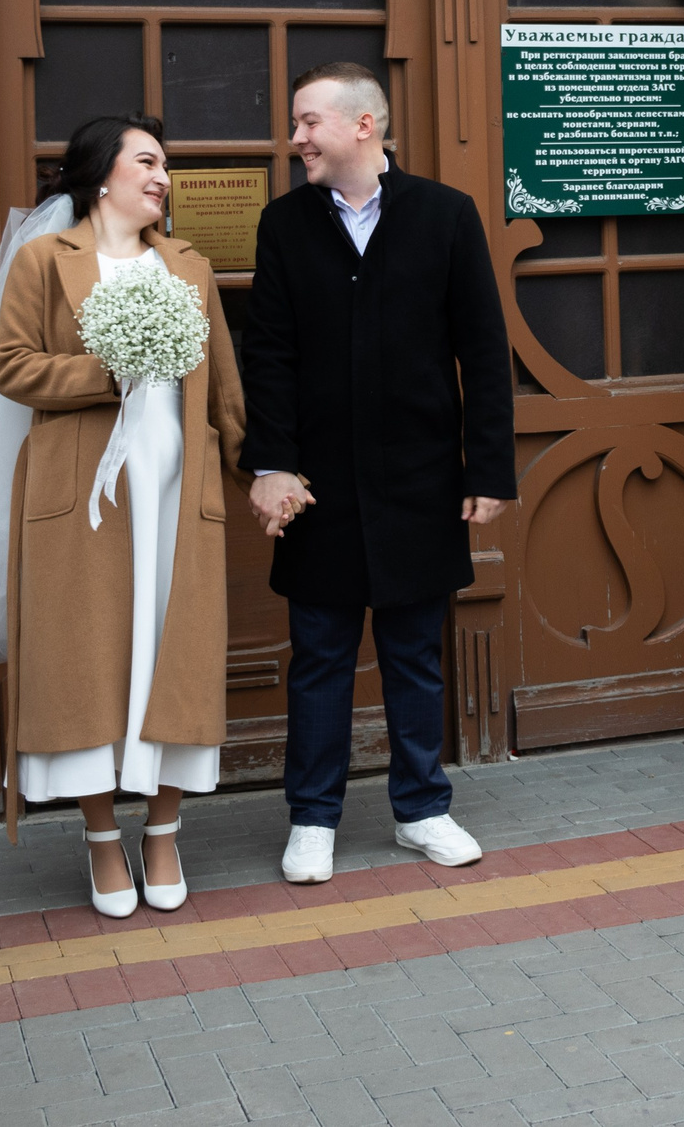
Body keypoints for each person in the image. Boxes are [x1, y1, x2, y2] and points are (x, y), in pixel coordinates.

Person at [0, 115, 246, 918]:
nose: (163, 177)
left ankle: (163, 830)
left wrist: (262, 471)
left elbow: (224, 386)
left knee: (173, 654)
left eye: (167, 164)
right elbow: (11, 367)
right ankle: (98, 841)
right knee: (86, 662)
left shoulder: (187, 265)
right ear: (102, 174)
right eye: (148, 161)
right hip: (81, 494)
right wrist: (107, 370)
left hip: (174, 492)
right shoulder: (43, 261)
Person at [241, 64, 514, 886]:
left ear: (363, 125)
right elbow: (269, 355)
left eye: (307, 122)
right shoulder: (284, 224)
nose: (296, 140)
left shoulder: (445, 215)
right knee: (319, 654)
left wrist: (490, 468)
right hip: (316, 485)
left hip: (420, 479)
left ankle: (422, 809)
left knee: (413, 655)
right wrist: (270, 464)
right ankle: (313, 819)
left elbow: (484, 350)